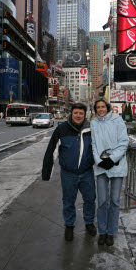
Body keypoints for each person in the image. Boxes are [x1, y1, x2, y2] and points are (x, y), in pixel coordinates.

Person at [42, 103, 96, 242]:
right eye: (76, 113)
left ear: (85, 115)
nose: (78, 116)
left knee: (90, 200)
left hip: (86, 172)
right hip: (68, 174)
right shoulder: (61, 129)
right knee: (68, 201)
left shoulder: (91, 129)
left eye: (81, 114)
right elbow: (51, 151)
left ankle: (89, 223)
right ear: (71, 113)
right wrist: (46, 173)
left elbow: (99, 147)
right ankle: (69, 226)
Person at [91, 98, 129, 247]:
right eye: (98, 107)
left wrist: (112, 159)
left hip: (117, 166)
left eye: (103, 106)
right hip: (101, 166)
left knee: (114, 201)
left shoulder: (117, 120)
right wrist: (99, 161)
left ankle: (112, 232)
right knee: (101, 201)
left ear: (107, 107)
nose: (101, 109)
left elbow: (124, 142)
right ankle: (102, 231)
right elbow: (93, 144)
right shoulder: (94, 123)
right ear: (95, 109)